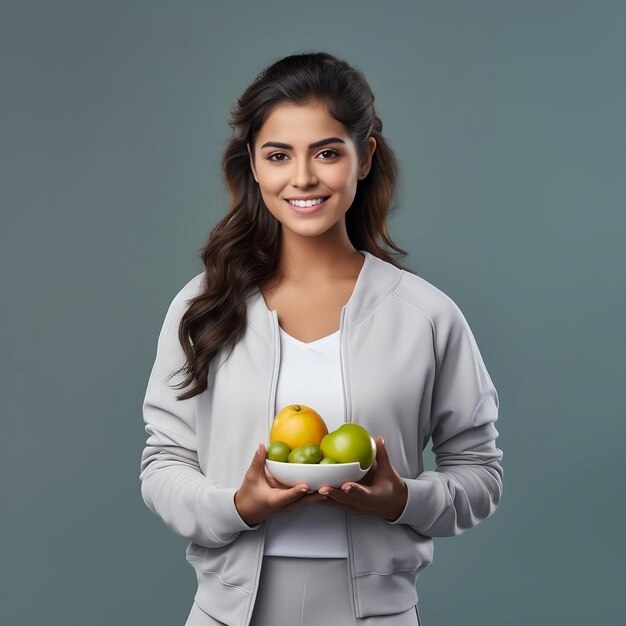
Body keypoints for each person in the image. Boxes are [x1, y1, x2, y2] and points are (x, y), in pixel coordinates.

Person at [139, 51, 503, 626]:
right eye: (278, 155)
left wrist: (401, 499)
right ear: (254, 167)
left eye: (327, 152)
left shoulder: (425, 314)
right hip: (228, 613)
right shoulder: (204, 305)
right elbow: (164, 461)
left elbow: (479, 471)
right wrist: (237, 507)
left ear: (365, 159)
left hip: (376, 614)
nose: (303, 178)